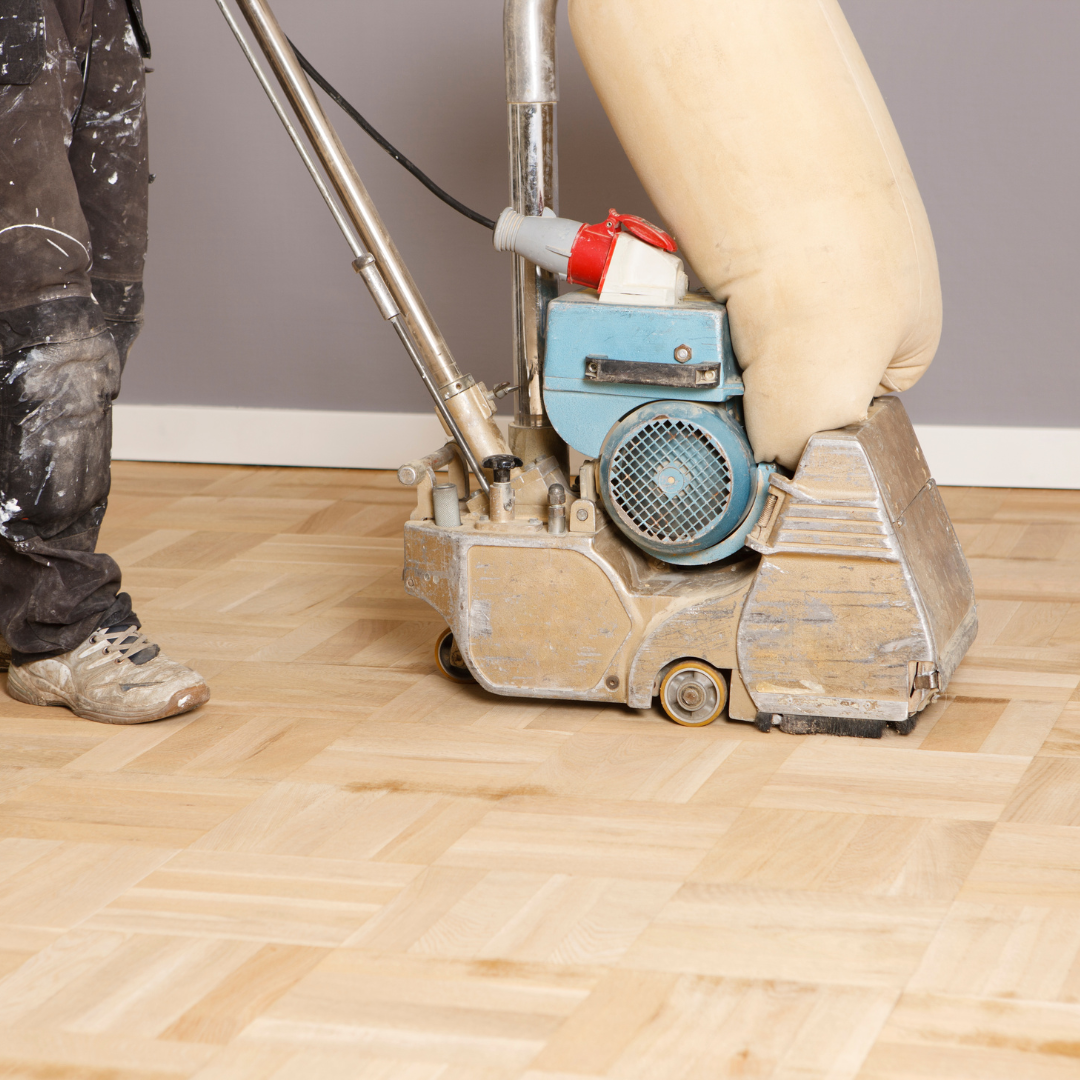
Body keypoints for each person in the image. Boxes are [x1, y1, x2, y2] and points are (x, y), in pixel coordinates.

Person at [0, 0, 209, 723]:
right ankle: (58, 628)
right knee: (51, 331)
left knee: (109, 305)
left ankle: (20, 590)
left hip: (92, 17)